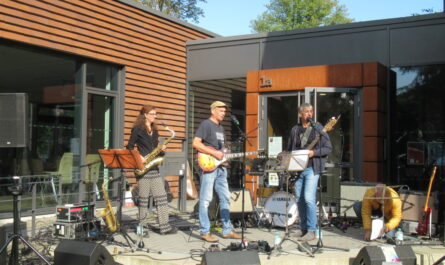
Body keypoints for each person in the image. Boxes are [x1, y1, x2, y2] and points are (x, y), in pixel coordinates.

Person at [192, 101, 242, 242]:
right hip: (209, 166)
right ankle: (204, 231)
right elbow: (196, 143)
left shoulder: (220, 128)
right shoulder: (206, 124)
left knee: (225, 198)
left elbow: (221, 150)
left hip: (221, 168)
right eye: (221, 111)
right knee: (206, 199)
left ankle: (227, 229)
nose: (223, 113)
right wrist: (214, 154)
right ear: (213, 110)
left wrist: (224, 157)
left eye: (224, 111)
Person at [126, 105, 177, 235]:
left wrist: (162, 150)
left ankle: (164, 227)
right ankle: (141, 228)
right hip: (142, 169)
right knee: (143, 200)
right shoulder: (137, 129)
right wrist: (140, 157)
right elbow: (129, 147)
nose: (155, 116)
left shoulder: (155, 131)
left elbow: (156, 150)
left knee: (161, 198)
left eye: (156, 113)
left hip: (154, 168)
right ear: (145, 115)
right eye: (153, 113)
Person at [287, 103, 332, 241]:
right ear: (300, 114)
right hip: (299, 170)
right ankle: (304, 229)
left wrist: (313, 153)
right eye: (306, 111)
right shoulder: (295, 129)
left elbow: (328, 148)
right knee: (300, 200)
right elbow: (290, 149)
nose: (309, 114)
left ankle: (312, 230)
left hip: (313, 168)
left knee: (308, 198)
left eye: (311, 111)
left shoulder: (317, 128)